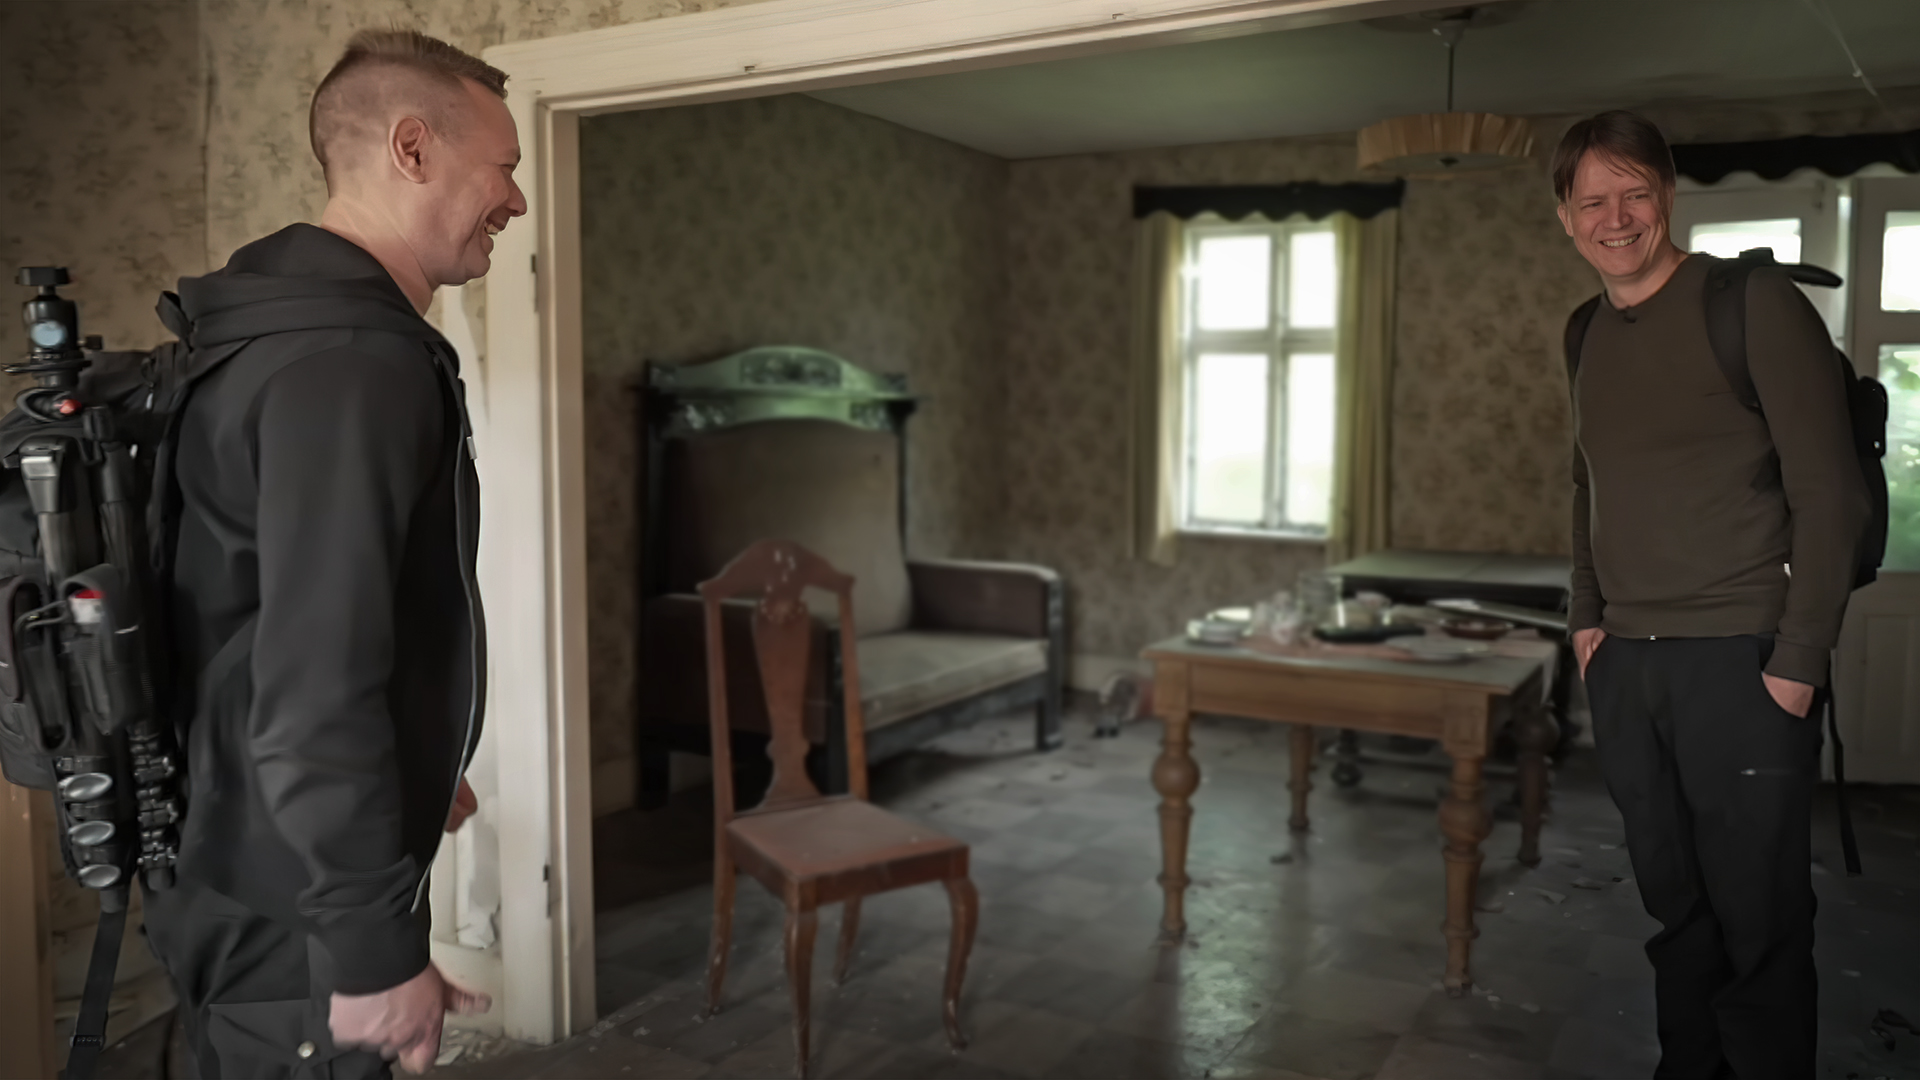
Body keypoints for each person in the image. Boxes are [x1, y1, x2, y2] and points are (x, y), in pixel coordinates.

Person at [141, 28, 525, 1078]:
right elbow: (315, 679)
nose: (516, 200)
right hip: (296, 909)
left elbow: (253, 607)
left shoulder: (263, 329)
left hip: (247, 855)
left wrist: (414, 764)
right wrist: (369, 946)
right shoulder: (352, 362)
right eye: (503, 166)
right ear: (413, 148)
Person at [1557, 110, 1869, 1079]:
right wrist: (1585, 620)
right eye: (1592, 200)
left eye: (1633, 193)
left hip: (1742, 662)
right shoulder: (1583, 331)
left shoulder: (1752, 303)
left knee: (1760, 921)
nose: (1615, 218)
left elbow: (1831, 494)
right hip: (1627, 666)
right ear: (1565, 216)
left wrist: (1798, 663)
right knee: (1677, 915)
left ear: (1666, 194)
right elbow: (1587, 483)